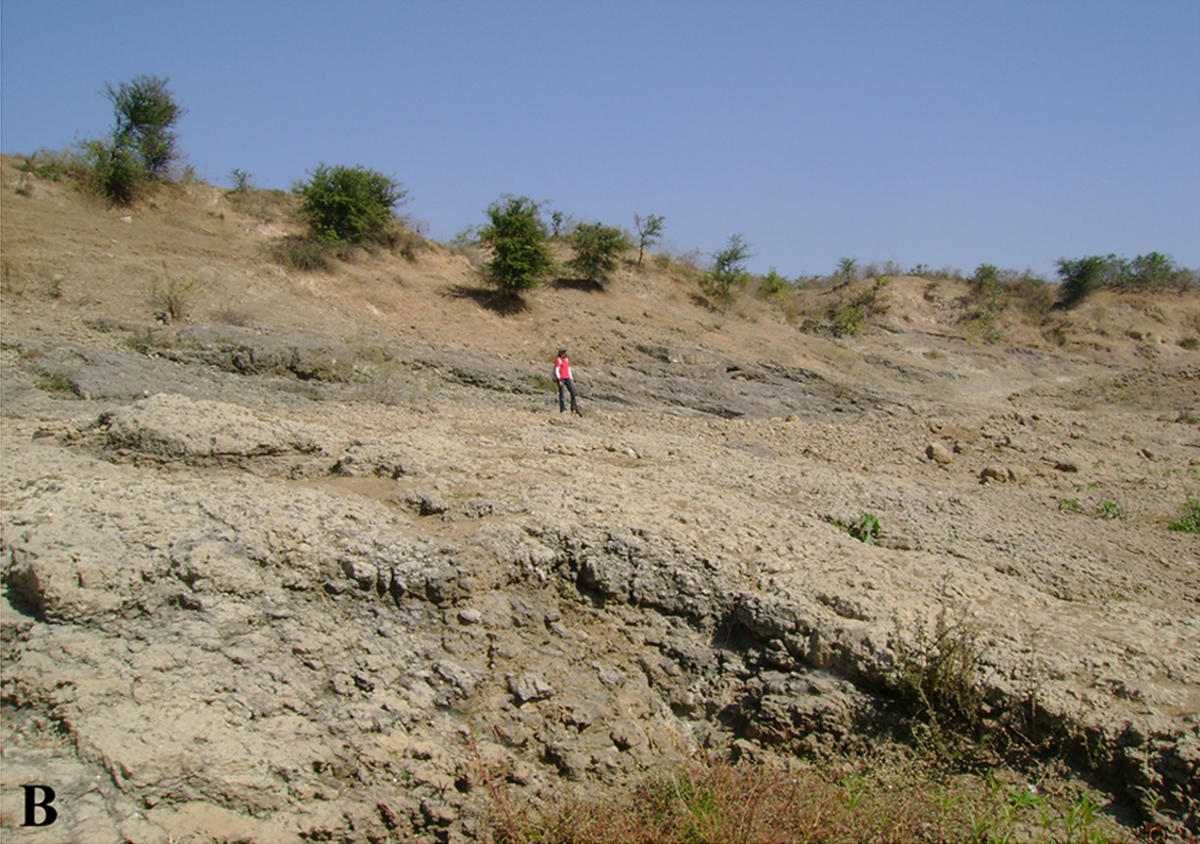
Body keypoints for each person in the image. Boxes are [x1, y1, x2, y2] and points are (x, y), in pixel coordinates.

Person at [553, 347, 579, 414]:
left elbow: (568, 369)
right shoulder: (558, 360)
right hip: (561, 378)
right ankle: (563, 409)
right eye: (562, 352)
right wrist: (559, 380)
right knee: (562, 394)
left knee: (573, 392)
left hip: (567, 378)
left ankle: (573, 407)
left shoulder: (566, 360)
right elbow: (557, 370)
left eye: (564, 352)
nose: (563, 354)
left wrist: (571, 378)